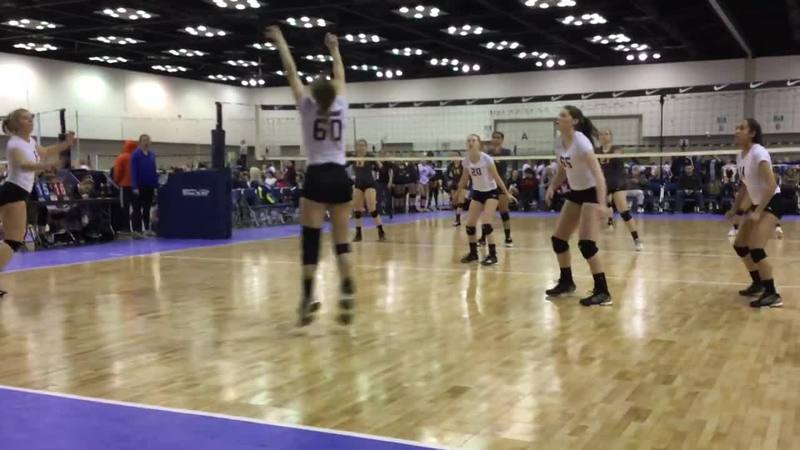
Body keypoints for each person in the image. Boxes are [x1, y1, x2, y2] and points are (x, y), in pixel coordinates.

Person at [268, 25, 355, 326]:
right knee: (341, 241)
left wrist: (280, 40)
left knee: (311, 241)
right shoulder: (341, 105)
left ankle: (307, 297)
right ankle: (347, 287)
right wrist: (334, 49)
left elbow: (291, 72)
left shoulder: (307, 107)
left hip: (316, 175)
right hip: (340, 175)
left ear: (314, 93)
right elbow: (340, 75)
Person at [545, 106, 612, 306]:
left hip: (592, 191)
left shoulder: (581, 142)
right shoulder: (559, 142)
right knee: (559, 240)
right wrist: (552, 186)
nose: (558, 118)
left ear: (574, 121)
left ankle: (603, 292)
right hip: (576, 192)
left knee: (586, 244)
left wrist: (602, 204)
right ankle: (566, 282)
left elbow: (599, 175)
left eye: (563, 115)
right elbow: (563, 168)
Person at [0, 109, 75, 283]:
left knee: (13, 240)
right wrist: (46, 166)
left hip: (18, 193)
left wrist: (66, 143)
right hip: (13, 192)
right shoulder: (14, 143)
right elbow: (23, 165)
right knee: (14, 241)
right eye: (25, 118)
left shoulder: (30, 141)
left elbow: (46, 151)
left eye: (30, 118)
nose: (30, 120)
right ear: (16, 124)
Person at [726, 118, 784, 308]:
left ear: (752, 133)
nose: (737, 131)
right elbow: (745, 186)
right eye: (737, 127)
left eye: (741, 128)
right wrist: (734, 209)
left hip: (772, 202)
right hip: (758, 203)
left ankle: (773, 294)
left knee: (756, 247)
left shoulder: (759, 152)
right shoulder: (740, 156)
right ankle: (758, 283)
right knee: (740, 245)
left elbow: (771, 185)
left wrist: (758, 212)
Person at [456, 134, 515, 266]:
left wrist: (506, 193)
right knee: (470, 225)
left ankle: (493, 255)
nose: (470, 142)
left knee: (486, 223)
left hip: (491, 193)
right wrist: (457, 194)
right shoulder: (466, 161)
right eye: (468, 140)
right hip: (477, 193)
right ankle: (473, 254)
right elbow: (464, 179)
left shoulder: (486, 159)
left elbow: (497, 178)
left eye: (473, 140)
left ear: (479, 144)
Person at [598, 129, 642, 251]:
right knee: (598, 209)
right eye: (601, 134)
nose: (603, 136)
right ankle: (606, 227)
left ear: (611, 136)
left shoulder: (617, 149)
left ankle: (636, 239)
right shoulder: (596, 151)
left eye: (606, 134)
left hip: (618, 183)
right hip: (604, 184)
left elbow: (617, 156)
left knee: (624, 213)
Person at [479, 131, 514, 247]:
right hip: (489, 184)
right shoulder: (488, 153)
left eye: (498, 137)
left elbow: (509, 167)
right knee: (487, 213)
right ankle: (483, 238)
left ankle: (508, 237)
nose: (496, 139)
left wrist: (511, 185)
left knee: (504, 211)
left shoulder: (507, 152)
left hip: (501, 183)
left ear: (502, 139)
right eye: (494, 137)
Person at [351, 139, 386, 242]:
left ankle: (381, 231)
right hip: (358, 185)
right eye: (358, 145)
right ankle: (358, 234)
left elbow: (381, 169)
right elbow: (342, 164)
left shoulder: (370, 156)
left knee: (372, 208)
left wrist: (378, 162)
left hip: (370, 185)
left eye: (362, 145)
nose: (360, 147)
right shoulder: (353, 157)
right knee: (357, 210)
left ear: (366, 147)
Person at [131, 134, 158, 237]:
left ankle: (147, 228)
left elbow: (153, 170)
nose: (146, 142)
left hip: (149, 186)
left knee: (147, 209)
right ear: (140, 142)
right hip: (139, 186)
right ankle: (136, 230)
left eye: (147, 140)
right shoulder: (136, 155)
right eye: (144, 140)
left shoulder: (152, 155)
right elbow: (133, 171)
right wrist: (135, 186)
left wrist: (155, 185)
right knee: (137, 209)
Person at [113, 140, 137, 235]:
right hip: (136, 187)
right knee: (136, 208)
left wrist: (116, 181)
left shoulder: (121, 157)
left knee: (124, 208)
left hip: (124, 185)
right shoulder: (137, 157)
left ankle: (126, 228)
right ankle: (137, 228)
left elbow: (118, 172)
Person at [446, 155, 464, 226]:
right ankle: (457, 218)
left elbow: (466, 175)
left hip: (462, 185)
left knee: (460, 202)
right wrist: (448, 181)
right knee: (455, 202)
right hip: (454, 185)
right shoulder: (450, 166)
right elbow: (446, 175)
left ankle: (458, 219)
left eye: (457, 157)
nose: (455, 159)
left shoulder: (463, 165)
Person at [375, 150, 394, 218]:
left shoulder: (388, 163)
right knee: (378, 197)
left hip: (386, 182)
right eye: (380, 154)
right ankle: (378, 212)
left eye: (383, 154)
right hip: (378, 182)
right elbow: (374, 172)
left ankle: (389, 211)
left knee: (388, 197)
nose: (382, 155)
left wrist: (390, 181)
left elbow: (391, 172)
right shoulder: (376, 163)